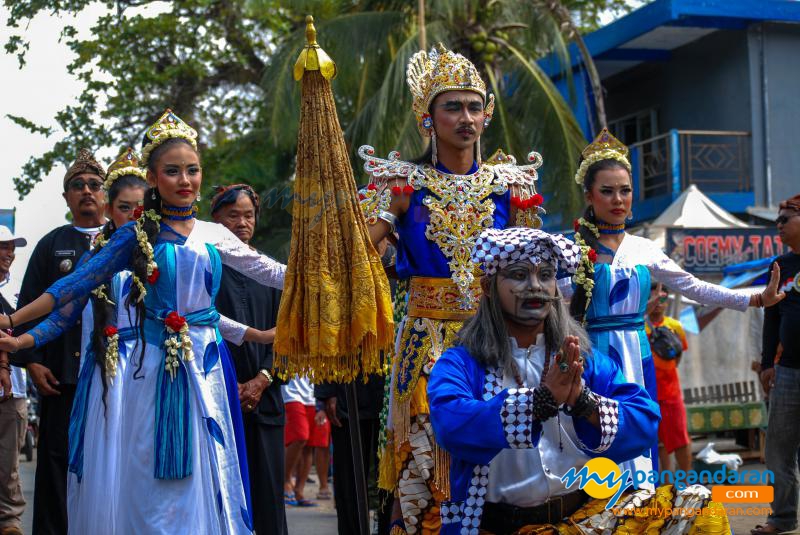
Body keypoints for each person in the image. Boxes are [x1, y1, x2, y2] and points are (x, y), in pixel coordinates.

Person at [0, 109, 286, 534]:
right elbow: (71, 289)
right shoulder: (134, 237)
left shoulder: (214, 234)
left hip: (206, 370)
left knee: (209, 472)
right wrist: (13, 325)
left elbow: (277, 274)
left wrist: (349, 256)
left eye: (192, 170)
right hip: (150, 372)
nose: (185, 180)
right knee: (152, 480)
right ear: (154, 178)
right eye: (172, 171)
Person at [427, 227, 731, 535]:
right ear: (488, 287)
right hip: (497, 526)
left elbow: (645, 420)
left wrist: (584, 402)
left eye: (545, 275)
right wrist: (539, 402)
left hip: (583, 521)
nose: (535, 286)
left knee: (698, 504)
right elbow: (451, 424)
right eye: (519, 275)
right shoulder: (462, 363)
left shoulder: (583, 359)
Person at [359, 44, 545, 534]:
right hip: (426, 343)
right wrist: (388, 213)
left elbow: (532, 271)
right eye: (453, 107)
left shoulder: (509, 186)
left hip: (494, 341)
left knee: (499, 459)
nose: (467, 117)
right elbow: (354, 260)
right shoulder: (402, 184)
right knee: (426, 464)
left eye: (475, 106)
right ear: (428, 118)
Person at [564, 128, 785, 477]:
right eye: (607, 191)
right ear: (589, 196)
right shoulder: (571, 250)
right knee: (597, 433)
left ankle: (640, 504)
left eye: (625, 191)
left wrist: (756, 298)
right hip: (595, 356)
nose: (618, 199)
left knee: (639, 432)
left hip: (639, 354)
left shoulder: (645, 248)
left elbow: (696, 288)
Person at [11, 147, 107, 535]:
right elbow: (27, 306)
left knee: (109, 463)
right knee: (56, 464)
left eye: (95, 185)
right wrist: (33, 362)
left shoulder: (124, 242)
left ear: (106, 192)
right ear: (66, 196)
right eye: (77, 185)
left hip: (114, 375)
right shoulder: (52, 245)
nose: (87, 191)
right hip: (60, 377)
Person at [212, 183, 288, 535]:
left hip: (266, 396)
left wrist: (262, 379)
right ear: (215, 222)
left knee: (268, 493)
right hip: (219, 395)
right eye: (233, 216)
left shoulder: (272, 271)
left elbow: (288, 335)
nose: (243, 223)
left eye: (249, 215)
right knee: (224, 492)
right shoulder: (207, 267)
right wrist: (232, 384)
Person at [753, 194, 800, 535]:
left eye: (785, 219)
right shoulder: (780, 266)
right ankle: (782, 518)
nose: (779, 225)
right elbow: (771, 319)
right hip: (788, 372)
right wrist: (767, 364)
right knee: (778, 449)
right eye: (777, 221)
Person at [644, 283, 691, 473]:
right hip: (649, 392)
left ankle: (687, 483)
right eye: (654, 298)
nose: (658, 303)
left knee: (680, 438)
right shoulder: (639, 326)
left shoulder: (675, 326)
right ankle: (666, 486)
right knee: (659, 441)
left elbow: (678, 357)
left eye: (662, 298)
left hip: (671, 392)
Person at [0, 225, 27, 535]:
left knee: (8, 462)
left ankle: (9, 522)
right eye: (2, 247)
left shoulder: (21, 290)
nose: (8, 253)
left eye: (11, 247)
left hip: (15, 388)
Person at [281, 375, 328, 507]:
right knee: (300, 436)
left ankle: (299, 491)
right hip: (291, 394)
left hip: (315, 396)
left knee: (309, 446)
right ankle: (285, 480)